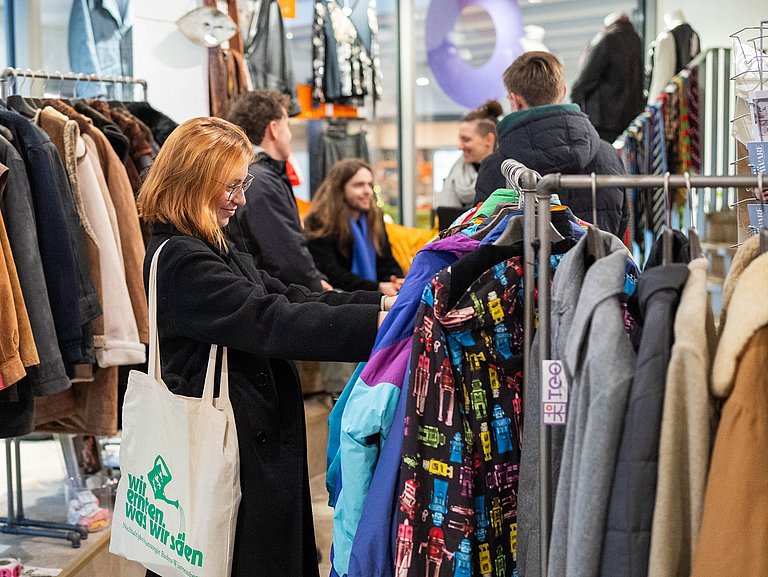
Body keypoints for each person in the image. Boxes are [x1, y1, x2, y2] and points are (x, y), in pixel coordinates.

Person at [136, 117, 394, 577]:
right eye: (230, 187)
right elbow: (268, 319)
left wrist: (384, 306)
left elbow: (287, 295)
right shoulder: (180, 257)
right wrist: (374, 323)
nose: (241, 199)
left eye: (242, 184)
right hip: (227, 452)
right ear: (193, 181)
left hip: (246, 444)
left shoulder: (209, 243)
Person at [474, 51, 630, 237]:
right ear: (563, 91)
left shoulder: (496, 166)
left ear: (516, 100)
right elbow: (620, 227)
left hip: (526, 265)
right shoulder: (609, 155)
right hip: (599, 265)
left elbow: (480, 237)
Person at [225, 90, 331, 291]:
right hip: (275, 297)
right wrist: (318, 289)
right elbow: (287, 257)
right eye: (287, 126)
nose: (290, 135)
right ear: (273, 128)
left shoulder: (254, 174)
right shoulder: (261, 181)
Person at [304, 158, 404, 295]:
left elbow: (386, 260)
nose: (368, 191)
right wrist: (378, 287)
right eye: (359, 185)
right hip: (339, 298)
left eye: (370, 184)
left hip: (375, 294)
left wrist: (395, 279)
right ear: (339, 189)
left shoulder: (375, 218)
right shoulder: (319, 221)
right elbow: (332, 274)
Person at [569, 11, 644, 143]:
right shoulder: (636, 39)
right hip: (629, 120)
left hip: (603, 122)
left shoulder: (607, 39)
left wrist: (575, 109)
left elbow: (584, 79)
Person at [434, 100, 502, 229]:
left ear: (489, 140)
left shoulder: (504, 175)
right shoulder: (456, 172)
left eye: (466, 139)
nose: (460, 146)